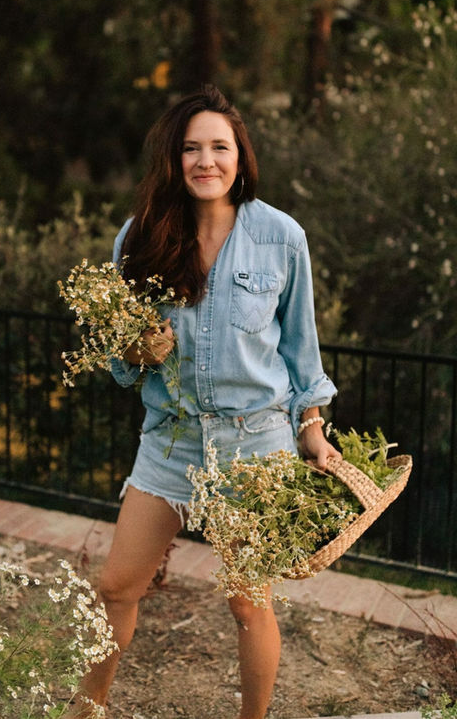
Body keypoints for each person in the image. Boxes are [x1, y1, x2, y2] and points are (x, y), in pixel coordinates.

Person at [69, 85, 339, 719]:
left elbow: (302, 348)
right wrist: (137, 352)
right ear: (173, 158)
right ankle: (85, 711)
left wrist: (313, 426)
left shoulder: (281, 237)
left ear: (240, 156)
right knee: (115, 586)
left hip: (254, 447)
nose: (206, 161)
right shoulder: (139, 236)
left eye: (219, 147)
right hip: (170, 441)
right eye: (191, 148)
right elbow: (117, 360)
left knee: (248, 603)